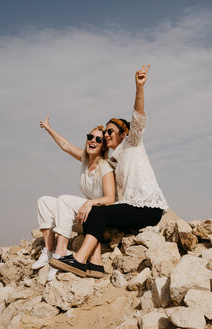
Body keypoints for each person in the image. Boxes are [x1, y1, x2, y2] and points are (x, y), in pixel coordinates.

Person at [49, 64, 168, 277]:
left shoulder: (133, 143)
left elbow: (138, 115)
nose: (106, 135)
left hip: (148, 208)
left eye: (110, 131)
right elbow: (71, 149)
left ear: (124, 133)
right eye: (105, 133)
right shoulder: (111, 161)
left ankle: (78, 260)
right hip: (130, 208)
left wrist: (139, 88)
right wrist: (49, 129)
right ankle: (95, 266)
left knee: (98, 209)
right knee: (95, 212)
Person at [34, 117, 116, 280]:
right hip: (85, 214)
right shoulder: (85, 160)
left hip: (98, 216)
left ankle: (61, 253)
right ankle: (49, 250)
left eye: (98, 139)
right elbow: (65, 145)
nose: (93, 141)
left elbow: (110, 199)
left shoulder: (105, 167)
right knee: (44, 201)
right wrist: (49, 129)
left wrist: (90, 202)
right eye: (90, 137)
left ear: (103, 146)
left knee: (63, 199)